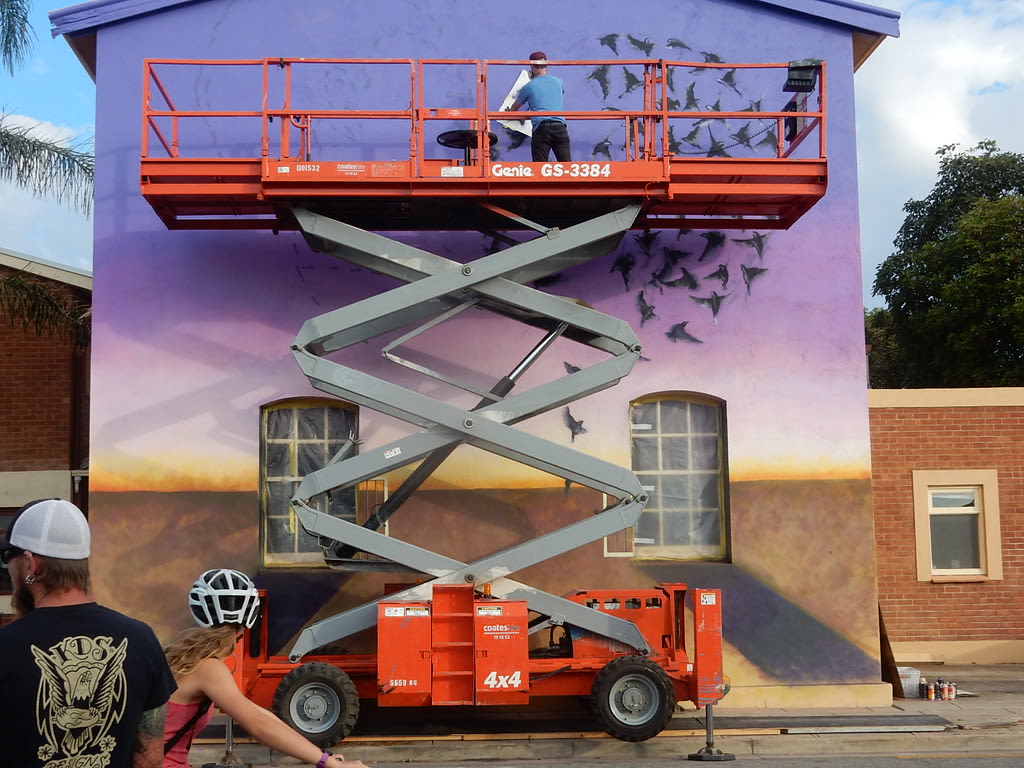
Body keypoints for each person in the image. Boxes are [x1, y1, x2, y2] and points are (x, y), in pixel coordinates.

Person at [0, 498, 177, 768]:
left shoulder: (5, 647)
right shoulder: (141, 639)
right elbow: (150, 758)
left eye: (7, 559)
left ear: (31, 563)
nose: (8, 570)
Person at [162, 568, 368, 768]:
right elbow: (259, 726)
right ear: (248, 622)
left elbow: (259, 714)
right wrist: (328, 763)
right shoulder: (208, 668)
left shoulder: (182, 657)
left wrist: (320, 755)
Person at [509, 51, 572, 162]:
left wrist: (526, 115)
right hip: (560, 127)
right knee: (567, 168)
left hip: (541, 128)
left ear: (532, 66)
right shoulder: (559, 82)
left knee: (539, 170)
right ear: (546, 65)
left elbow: (514, 110)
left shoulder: (528, 87)